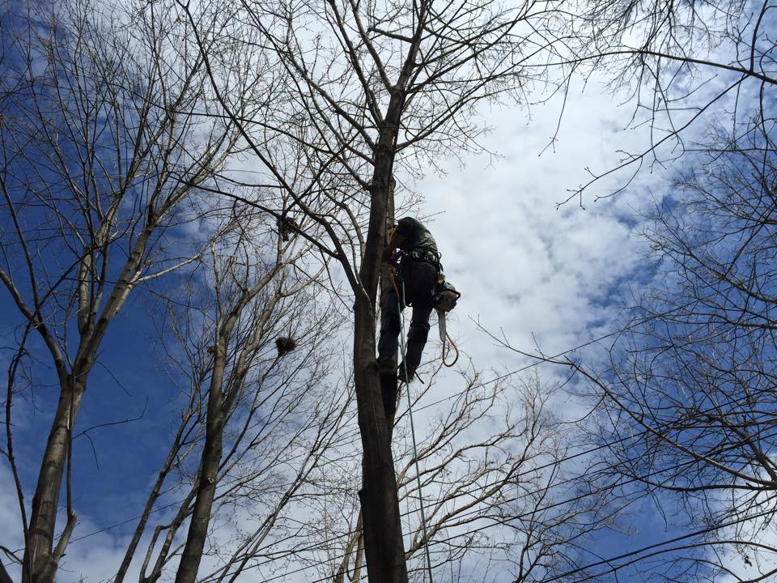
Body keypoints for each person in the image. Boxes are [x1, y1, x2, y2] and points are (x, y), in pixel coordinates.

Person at [378, 217, 441, 382]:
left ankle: (385, 357)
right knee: (420, 325)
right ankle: (410, 367)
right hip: (429, 277)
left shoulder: (408, 224)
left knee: (392, 309)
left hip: (418, 269)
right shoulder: (419, 243)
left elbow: (405, 226)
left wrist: (388, 250)